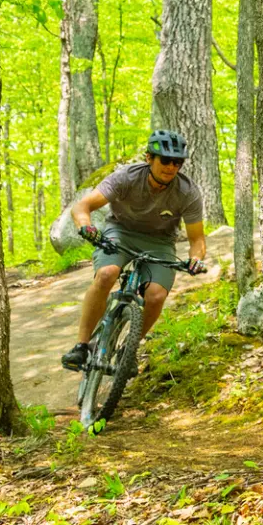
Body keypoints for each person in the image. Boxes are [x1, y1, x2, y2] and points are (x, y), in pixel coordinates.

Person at [60, 130, 208, 371]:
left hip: (160, 242)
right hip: (120, 232)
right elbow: (82, 206)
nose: (172, 167)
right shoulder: (127, 177)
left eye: (177, 162)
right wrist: (85, 226)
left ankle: (129, 349)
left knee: (156, 295)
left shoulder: (187, 191)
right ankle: (81, 345)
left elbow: (197, 240)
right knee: (107, 273)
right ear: (149, 158)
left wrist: (196, 259)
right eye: (166, 160)